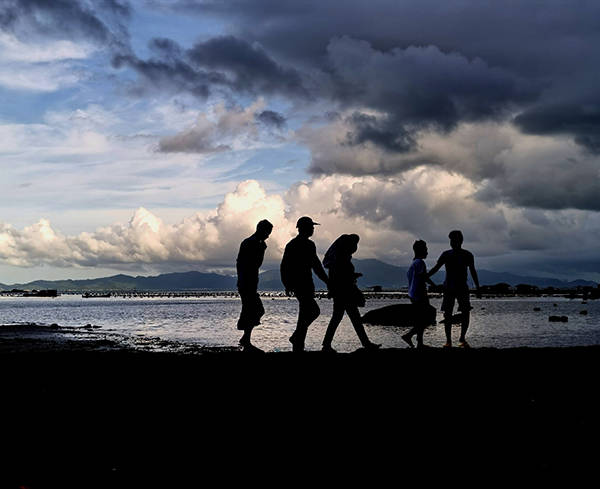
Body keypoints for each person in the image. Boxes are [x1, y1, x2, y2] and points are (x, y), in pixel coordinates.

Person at [321, 234, 381, 353]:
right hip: (345, 293)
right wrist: (353, 276)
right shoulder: (340, 260)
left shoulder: (337, 260)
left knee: (340, 318)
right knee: (353, 319)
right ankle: (366, 344)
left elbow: (338, 277)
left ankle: (327, 344)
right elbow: (342, 277)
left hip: (341, 293)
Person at [280, 216, 329, 352]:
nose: (313, 229)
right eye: (311, 227)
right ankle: (297, 339)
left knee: (306, 313)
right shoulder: (295, 245)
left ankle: (298, 342)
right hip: (301, 284)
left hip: (305, 284)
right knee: (313, 311)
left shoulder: (306, 245)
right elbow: (285, 266)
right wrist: (287, 284)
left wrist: (327, 281)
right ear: (304, 228)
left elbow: (316, 266)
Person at [428, 230, 481, 348]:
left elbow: (473, 271)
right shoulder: (446, 254)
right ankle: (448, 341)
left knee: (465, 313)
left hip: (462, 287)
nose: (452, 242)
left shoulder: (467, 255)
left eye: (454, 240)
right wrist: (426, 276)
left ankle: (462, 338)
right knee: (448, 314)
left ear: (460, 241)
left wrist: (478, 287)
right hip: (449, 288)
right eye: (451, 240)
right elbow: (436, 268)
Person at [236, 219, 273, 352]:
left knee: (252, 311)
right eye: (267, 232)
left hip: (250, 283)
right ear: (261, 230)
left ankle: (246, 338)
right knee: (256, 310)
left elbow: (256, 264)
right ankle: (246, 340)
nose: (268, 235)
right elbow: (245, 264)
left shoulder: (258, 244)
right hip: (246, 283)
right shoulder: (249, 243)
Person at [401, 240, 435, 349]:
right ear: (420, 250)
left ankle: (419, 342)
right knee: (427, 317)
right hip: (419, 294)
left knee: (420, 318)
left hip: (413, 295)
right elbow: (423, 276)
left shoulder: (413, 263)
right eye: (425, 249)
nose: (427, 252)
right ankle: (409, 335)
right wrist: (434, 285)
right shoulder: (420, 262)